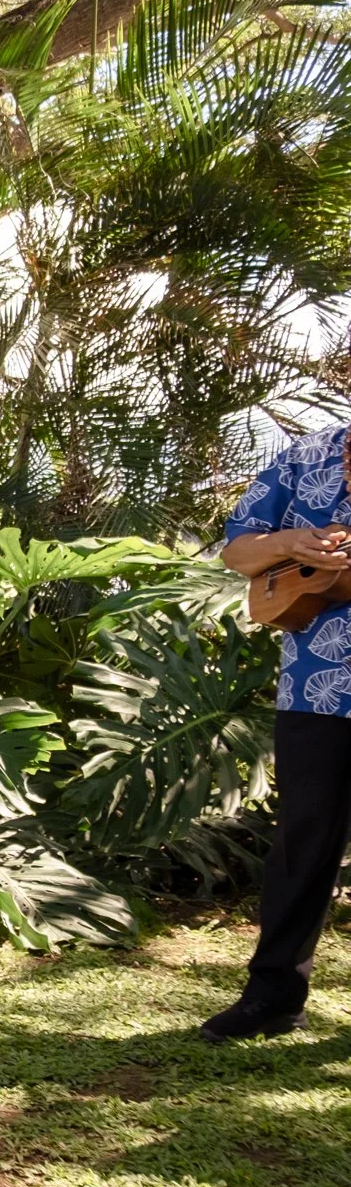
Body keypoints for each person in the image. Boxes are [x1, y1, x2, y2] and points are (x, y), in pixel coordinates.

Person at [204, 421, 351, 1043]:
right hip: (317, 684)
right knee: (303, 842)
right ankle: (273, 995)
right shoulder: (309, 453)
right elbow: (238, 551)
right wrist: (295, 542)